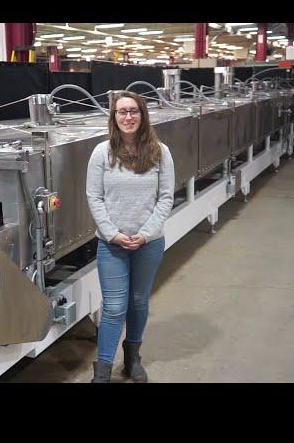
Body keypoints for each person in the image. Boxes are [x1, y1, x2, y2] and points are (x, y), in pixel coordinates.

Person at [86, 91, 175, 383]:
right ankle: (102, 370)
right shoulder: (102, 153)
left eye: (133, 111)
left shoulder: (160, 152)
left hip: (148, 244)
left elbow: (165, 198)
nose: (128, 117)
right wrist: (112, 234)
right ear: (114, 117)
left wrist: (146, 234)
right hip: (111, 245)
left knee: (138, 301)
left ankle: (132, 359)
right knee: (113, 307)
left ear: (143, 115)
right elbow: (94, 197)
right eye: (122, 112)